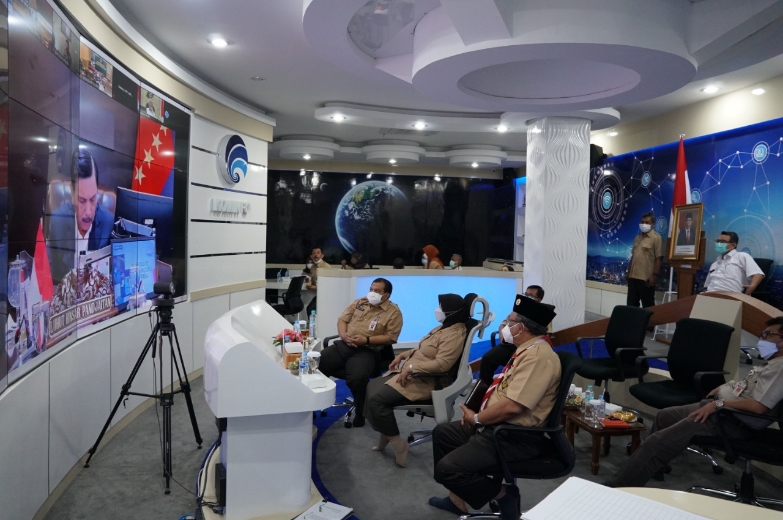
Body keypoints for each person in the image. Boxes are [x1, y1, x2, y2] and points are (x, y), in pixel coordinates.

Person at [606, 316, 783, 488]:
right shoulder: (770, 363)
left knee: (656, 443)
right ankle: (653, 467)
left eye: (767, 335)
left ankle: (617, 488)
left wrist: (718, 404)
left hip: (729, 420)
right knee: (664, 416)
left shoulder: (780, 368)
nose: (761, 339)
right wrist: (724, 388)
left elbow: (759, 407)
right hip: (718, 409)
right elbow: (747, 389)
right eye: (762, 334)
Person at [428, 295, 559, 519]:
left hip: (514, 436)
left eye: (509, 322)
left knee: (447, 470)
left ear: (521, 328)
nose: (505, 326)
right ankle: (456, 501)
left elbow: (513, 407)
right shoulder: (525, 349)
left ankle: (504, 494)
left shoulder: (538, 357)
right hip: (496, 425)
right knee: (443, 433)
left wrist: (477, 419)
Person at [365, 294, 468, 467]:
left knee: (377, 400)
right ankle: (386, 433)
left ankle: (399, 445)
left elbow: (442, 364)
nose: (438, 310)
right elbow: (423, 349)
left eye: (441, 307)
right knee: (372, 386)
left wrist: (412, 368)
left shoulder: (455, 334)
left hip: (426, 381)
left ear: (452, 311)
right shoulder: (444, 326)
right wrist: (403, 355)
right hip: (413, 373)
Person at [319, 278, 403, 427]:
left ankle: (361, 410)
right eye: (371, 289)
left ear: (386, 295)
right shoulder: (360, 302)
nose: (372, 293)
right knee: (317, 364)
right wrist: (343, 335)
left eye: (377, 291)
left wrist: (366, 340)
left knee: (357, 378)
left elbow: (391, 337)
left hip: (366, 350)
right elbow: (342, 320)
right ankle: (312, 405)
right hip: (345, 344)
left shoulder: (393, 312)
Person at [48, 149, 114, 284]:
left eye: (93, 199)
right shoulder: (57, 222)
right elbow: (52, 278)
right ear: (71, 192)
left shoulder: (108, 223)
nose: (88, 212)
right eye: (82, 200)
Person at [479, 286, 547, 385]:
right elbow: (503, 324)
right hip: (510, 343)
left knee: (515, 363)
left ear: (539, 300)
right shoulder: (520, 308)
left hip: (526, 346)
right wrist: (502, 336)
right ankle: (485, 387)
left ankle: (508, 387)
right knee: (487, 358)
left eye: (531, 296)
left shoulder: (544, 314)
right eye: (526, 294)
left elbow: (544, 336)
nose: (527, 297)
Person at [626, 212, 662, 308]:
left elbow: (659, 258)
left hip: (646, 279)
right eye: (642, 222)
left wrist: (654, 275)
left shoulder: (656, 238)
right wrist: (628, 272)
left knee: (648, 306)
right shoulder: (637, 238)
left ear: (653, 224)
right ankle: (634, 319)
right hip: (633, 277)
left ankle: (648, 320)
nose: (643, 224)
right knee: (631, 305)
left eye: (647, 222)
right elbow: (633, 256)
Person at [305, 246, 330, 315]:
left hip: (327, 295)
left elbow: (330, 285)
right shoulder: (312, 267)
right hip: (319, 294)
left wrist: (316, 288)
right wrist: (308, 284)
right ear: (311, 256)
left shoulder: (326, 267)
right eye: (314, 253)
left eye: (318, 253)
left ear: (322, 255)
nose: (316, 255)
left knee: (310, 309)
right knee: (310, 310)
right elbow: (313, 280)